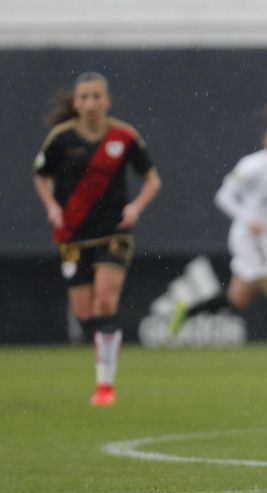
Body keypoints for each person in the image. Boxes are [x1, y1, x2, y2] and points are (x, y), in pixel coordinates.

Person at [33, 71, 162, 407]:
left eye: (96, 97)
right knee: (84, 311)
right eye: (84, 97)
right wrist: (51, 207)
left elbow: (152, 179)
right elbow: (41, 176)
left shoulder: (124, 136)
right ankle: (104, 357)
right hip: (74, 235)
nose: (90, 103)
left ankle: (105, 385)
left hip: (113, 231)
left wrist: (136, 207)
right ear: (76, 103)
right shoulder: (60, 139)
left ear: (107, 101)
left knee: (105, 302)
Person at [169, 105, 267, 371]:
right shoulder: (252, 165)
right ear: (266, 140)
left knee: (238, 299)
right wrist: (248, 219)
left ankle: (187, 311)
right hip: (249, 237)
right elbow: (223, 197)